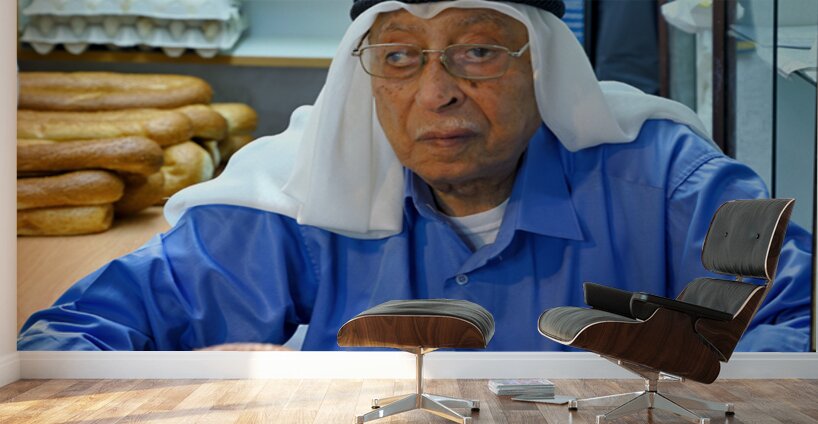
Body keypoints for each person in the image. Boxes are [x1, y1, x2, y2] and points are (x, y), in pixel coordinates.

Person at [18, 0, 812, 352]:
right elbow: (70, 339)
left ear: (544, 65)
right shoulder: (303, 193)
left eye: (477, 50)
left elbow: (804, 323)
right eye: (399, 56)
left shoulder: (665, 181)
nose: (437, 92)